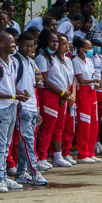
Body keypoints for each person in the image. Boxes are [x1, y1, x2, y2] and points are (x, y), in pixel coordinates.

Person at [0, 32, 24, 192]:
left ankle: (4, 177)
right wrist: (13, 95)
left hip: (12, 106)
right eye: (12, 43)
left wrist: (20, 95)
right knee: (0, 145)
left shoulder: (13, 63)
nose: (14, 45)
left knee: (7, 144)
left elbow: (12, 84)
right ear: (1, 44)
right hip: (0, 108)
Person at [35, 30, 75, 168]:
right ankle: (41, 157)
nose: (55, 44)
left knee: (59, 127)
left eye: (57, 41)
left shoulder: (59, 58)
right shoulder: (42, 57)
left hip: (61, 95)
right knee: (48, 127)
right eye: (52, 41)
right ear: (45, 41)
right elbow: (46, 81)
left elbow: (66, 78)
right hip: (49, 94)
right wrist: (63, 93)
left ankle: (57, 156)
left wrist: (65, 94)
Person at [12, 32, 45, 186]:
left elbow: (35, 82)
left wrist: (37, 108)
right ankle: (34, 172)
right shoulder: (15, 61)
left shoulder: (31, 62)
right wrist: (18, 100)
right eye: (26, 45)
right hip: (22, 106)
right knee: (27, 140)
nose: (29, 48)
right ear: (18, 44)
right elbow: (11, 83)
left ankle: (20, 173)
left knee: (24, 141)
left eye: (32, 46)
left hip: (31, 106)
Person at [71, 37, 102, 163]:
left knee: (94, 122)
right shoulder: (75, 61)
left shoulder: (89, 61)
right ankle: (82, 154)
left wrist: (96, 83)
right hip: (83, 92)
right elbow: (81, 80)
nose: (91, 50)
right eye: (88, 48)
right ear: (81, 49)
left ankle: (90, 151)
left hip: (92, 92)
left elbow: (93, 75)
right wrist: (95, 81)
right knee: (85, 122)